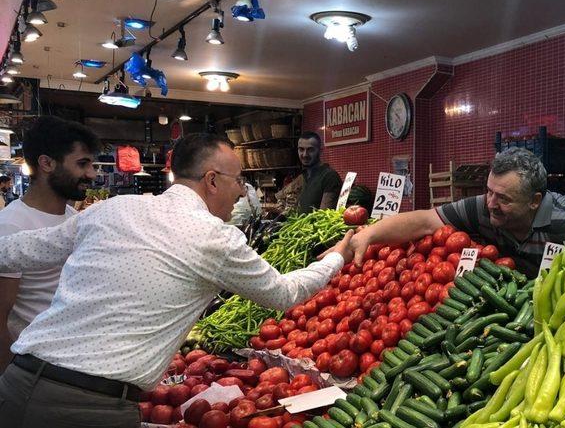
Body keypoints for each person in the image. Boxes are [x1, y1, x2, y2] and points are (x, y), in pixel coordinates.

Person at [0, 133, 354, 427]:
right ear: (212, 180)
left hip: (15, 384)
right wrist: (340, 254)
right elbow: (285, 293)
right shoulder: (215, 238)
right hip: (90, 409)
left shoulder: (112, 209)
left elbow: (16, 251)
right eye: (239, 181)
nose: (242, 192)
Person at [346, 148, 565, 277]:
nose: (491, 203)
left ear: (534, 201)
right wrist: (368, 234)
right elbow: (424, 220)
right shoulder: (482, 207)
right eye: (489, 191)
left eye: (503, 198)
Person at [0, 116, 99, 373]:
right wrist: (10, 383)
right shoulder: (11, 226)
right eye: (82, 163)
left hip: (71, 364)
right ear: (47, 163)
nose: (91, 174)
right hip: (31, 369)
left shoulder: (74, 219)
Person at [297, 131, 342, 213]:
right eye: (301, 149)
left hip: (314, 225)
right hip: (303, 225)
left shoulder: (329, 176)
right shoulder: (305, 175)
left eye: (310, 150)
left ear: (320, 151)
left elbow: (324, 215)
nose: (305, 155)